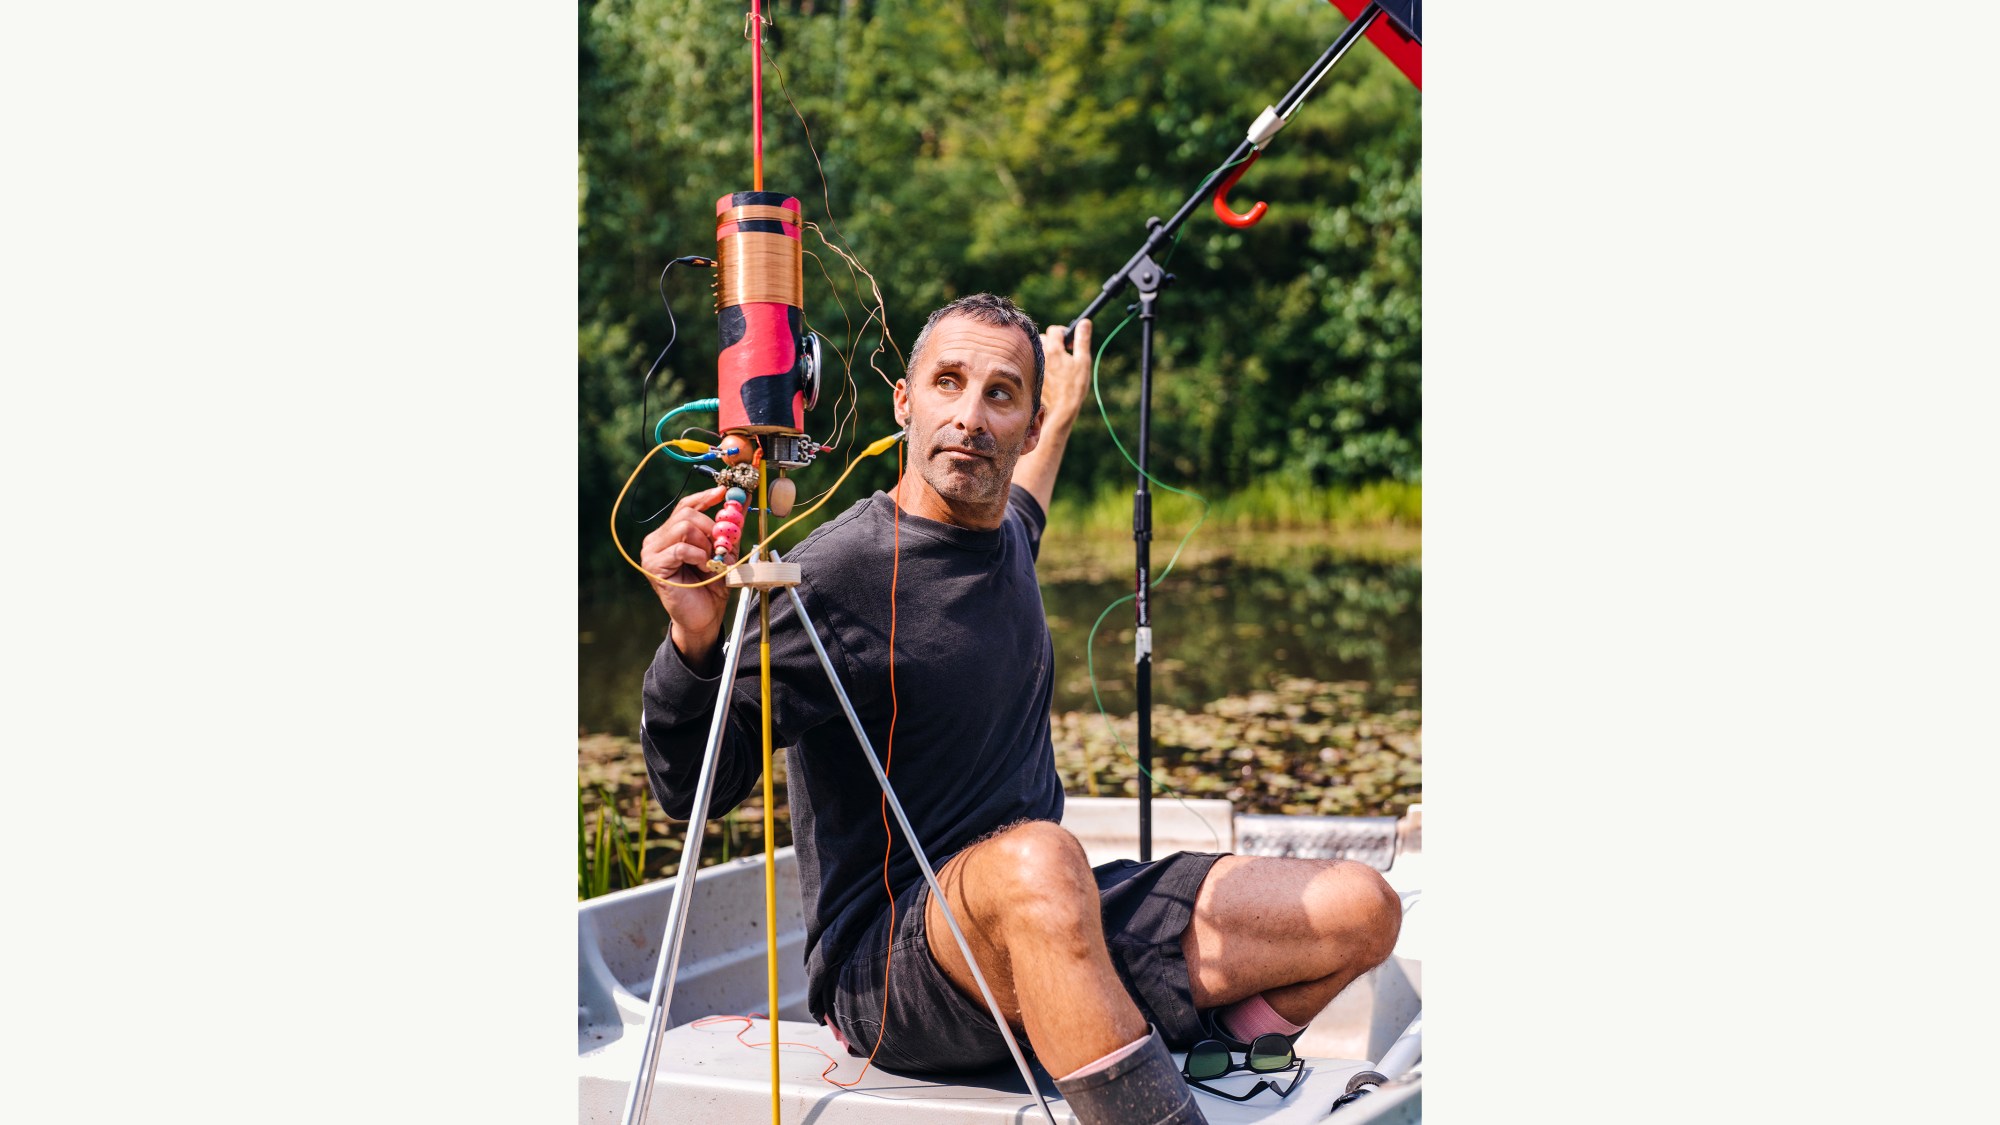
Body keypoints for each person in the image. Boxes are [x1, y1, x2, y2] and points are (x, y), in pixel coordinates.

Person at [638, 294, 1401, 1125]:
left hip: (1058, 908)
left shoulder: (1003, 533)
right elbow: (690, 791)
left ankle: (1205, 1058)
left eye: (1001, 396)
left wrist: (1067, 404)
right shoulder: (836, 574)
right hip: (892, 970)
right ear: (905, 400)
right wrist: (691, 645)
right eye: (949, 382)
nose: (969, 417)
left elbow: (1023, 502)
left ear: (1028, 428)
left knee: (1358, 905)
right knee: (1040, 859)